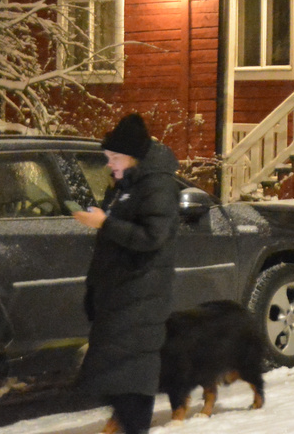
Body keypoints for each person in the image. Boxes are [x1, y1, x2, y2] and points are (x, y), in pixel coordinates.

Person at [72, 114, 179, 434]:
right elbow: (113, 243)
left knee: (131, 380)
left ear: (133, 157)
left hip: (141, 299)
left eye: (114, 158)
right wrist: (94, 290)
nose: (110, 165)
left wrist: (105, 223)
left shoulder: (157, 185)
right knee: (118, 377)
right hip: (122, 297)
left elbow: (152, 237)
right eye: (108, 159)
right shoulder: (126, 185)